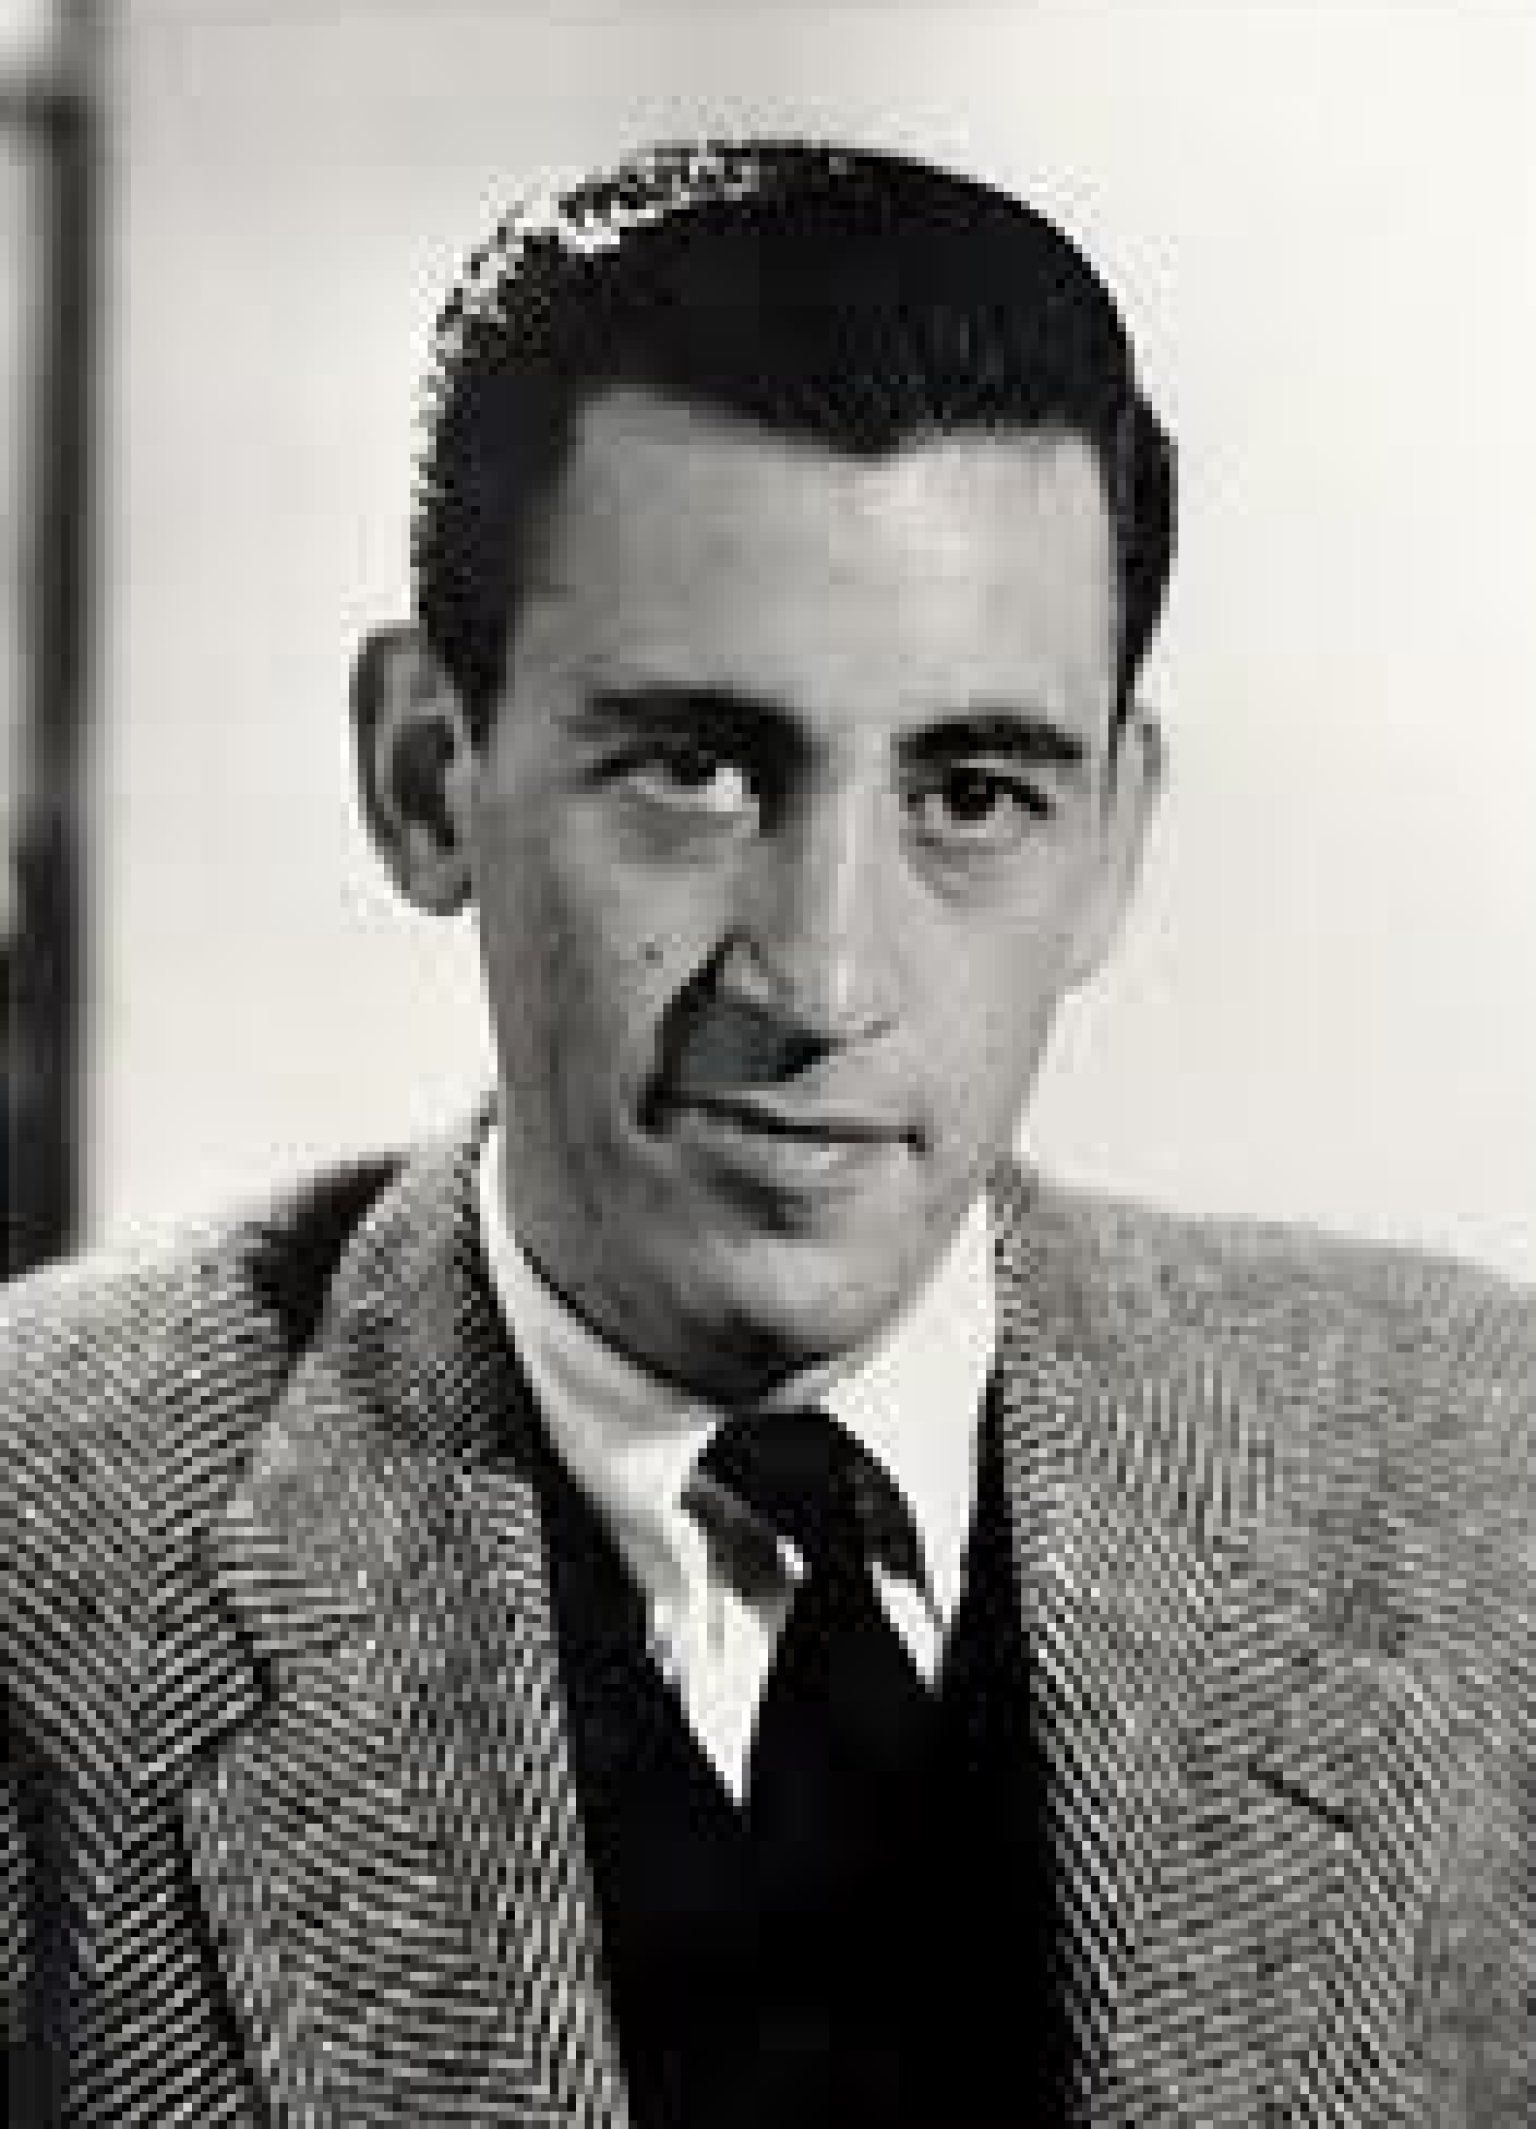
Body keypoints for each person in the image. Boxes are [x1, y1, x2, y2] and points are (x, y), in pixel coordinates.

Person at [3, 141, 1529, 2129]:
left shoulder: (1479, 1486)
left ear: (1112, 843)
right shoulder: (41, 1546)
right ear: (426, 776)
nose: (820, 980)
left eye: (973, 794)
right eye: (694, 769)